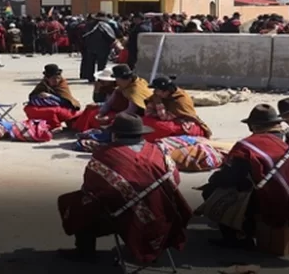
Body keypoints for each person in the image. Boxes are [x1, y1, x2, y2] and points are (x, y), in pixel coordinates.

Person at [57, 114, 191, 263]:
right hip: (164, 212)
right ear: (141, 133)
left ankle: (85, 251)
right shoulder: (160, 151)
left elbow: (90, 188)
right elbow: (175, 180)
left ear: (115, 134)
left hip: (125, 216)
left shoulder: (105, 155)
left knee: (77, 204)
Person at [198, 104, 289, 249]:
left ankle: (238, 237)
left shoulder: (249, 146)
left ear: (254, 126)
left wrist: (213, 181)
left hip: (274, 200)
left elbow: (232, 177)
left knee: (213, 191)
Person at [142, 76, 211, 141]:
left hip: (184, 125)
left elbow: (164, 117)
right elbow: (148, 113)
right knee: (145, 121)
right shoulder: (159, 96)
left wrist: (158, 103)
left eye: (157, 90)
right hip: (168, 121)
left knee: (157, 127)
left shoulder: (180, 99)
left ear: (166, 91)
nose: (154, 92)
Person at [24, 64, 82, 129]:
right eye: (53, 78)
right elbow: (32, 96)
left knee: (51, 111)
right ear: (47, 78)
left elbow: (66, 101)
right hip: (50, 105)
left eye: (58, 78)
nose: (56, 80)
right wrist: (39, 96)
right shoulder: (43, 84)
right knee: (29, 108)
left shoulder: (62, 84)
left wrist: (50, 96)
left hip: (66, 108)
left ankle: (56, 126)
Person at [80, 14, 116, 82]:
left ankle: (90, 78)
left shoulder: (88, 25)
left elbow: (83, 37)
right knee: (101, 64)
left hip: (90, 47)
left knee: (90, 64)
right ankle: (100, 78)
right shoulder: (104, 25)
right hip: (102, 48)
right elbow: (111, 36)